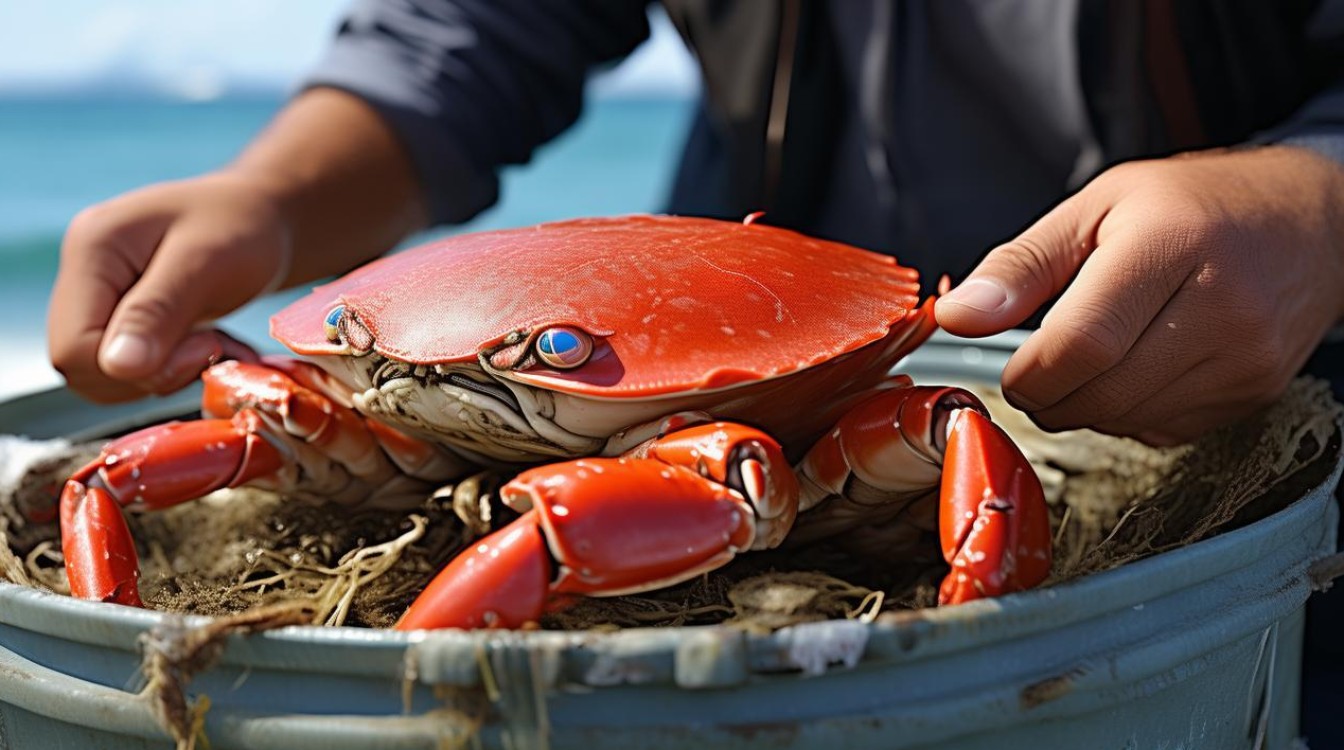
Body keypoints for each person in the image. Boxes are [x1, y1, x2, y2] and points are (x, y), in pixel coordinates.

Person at [45, 1, 1344, 743]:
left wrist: (1315, 194)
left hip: (1127, 357)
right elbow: (476, 29)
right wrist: (270, 197)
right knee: (102, 471)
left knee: (957, 431)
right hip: (661, 311)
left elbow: (960, 431)